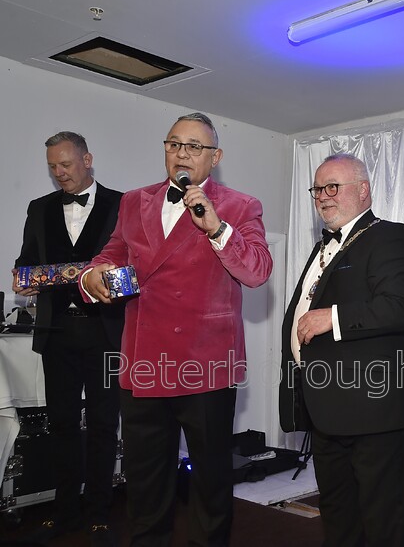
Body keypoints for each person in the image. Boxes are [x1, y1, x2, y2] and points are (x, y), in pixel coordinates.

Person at [80, 112, 272, 547]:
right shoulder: (133, 201)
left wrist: (216, 227)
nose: (181, 153)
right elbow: (111, 253)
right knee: (145, 484)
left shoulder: (240, 205)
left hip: (205, 364)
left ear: (215, 157)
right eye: (173, 144)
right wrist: (93, 276)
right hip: (144, 362)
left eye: (194, 146)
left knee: (210, 483)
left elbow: (258, 270)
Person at [279, 154, 404, 547]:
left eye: (332, 187)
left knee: (382, 520)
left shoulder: (391, 236)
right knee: (339, 517)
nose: (322, 197)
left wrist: (332, 318)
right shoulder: (321, 246)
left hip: (372, 410)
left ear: (363, 190)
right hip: (325, 411)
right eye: (317, 189)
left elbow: (397, 307)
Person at [13, 131, 124, 547]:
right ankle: (65, 511)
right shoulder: (38, 208)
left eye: (66, 164)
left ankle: (98, 512)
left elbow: (132, 261)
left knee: (102, 424)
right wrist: (23, 278)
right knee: (61, 424)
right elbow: (27, 261)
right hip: (56, 332)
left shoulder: (122, 203)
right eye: (53, 167)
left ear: (87, 159)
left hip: (106, 332)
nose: (60, 173)